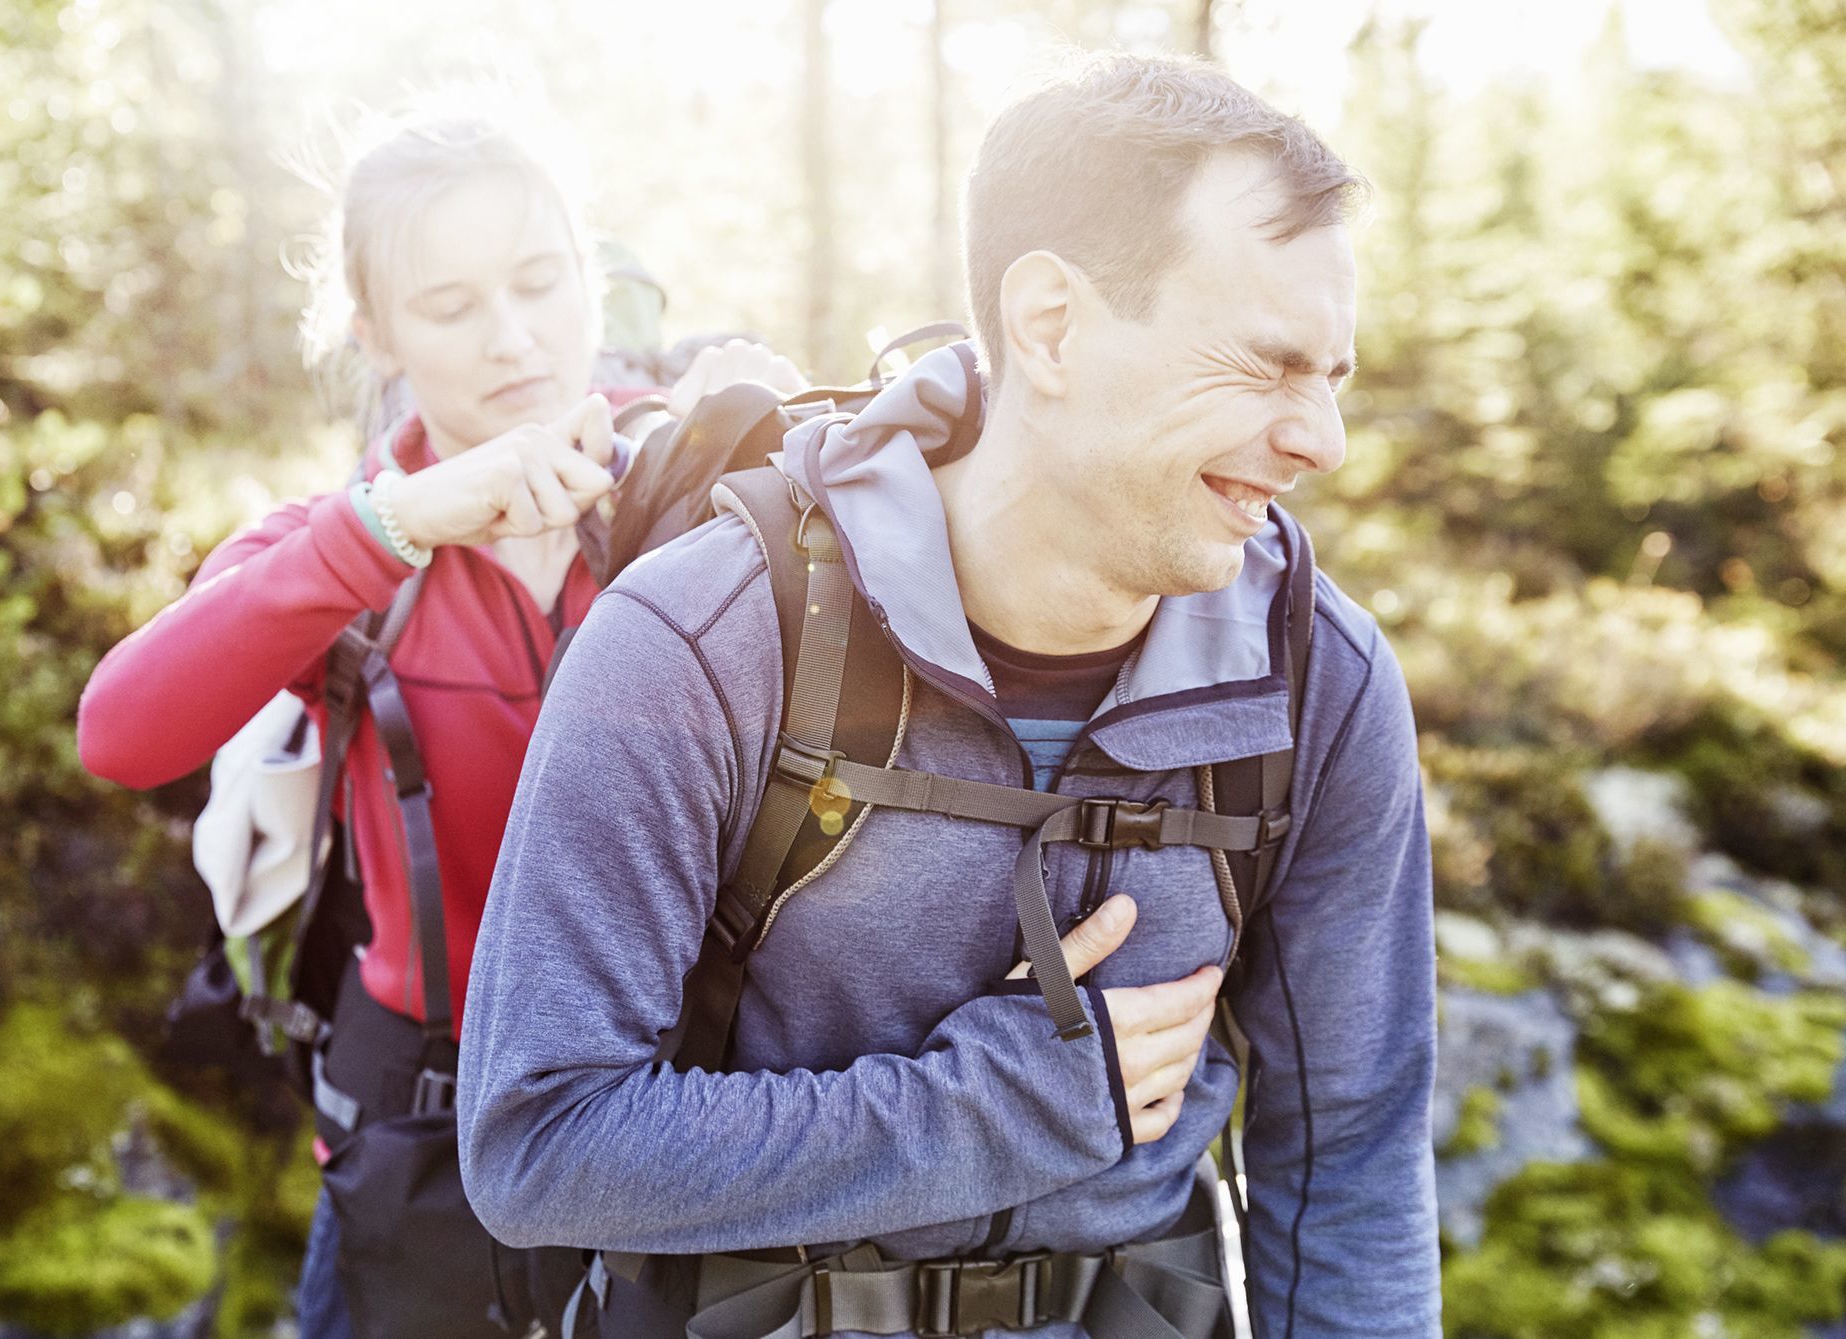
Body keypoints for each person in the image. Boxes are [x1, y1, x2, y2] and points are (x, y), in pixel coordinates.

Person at [457, 53, 1440, 1339]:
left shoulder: (1319, 680)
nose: (1322, 439)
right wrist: (1008, 1104)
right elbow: (538, 1142)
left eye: (1332, 375)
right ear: (1049, 326)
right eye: (1265, 365)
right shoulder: (698, 643)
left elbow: (1353, 1157)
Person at [75, 97, 803, 1338]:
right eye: (451, 306)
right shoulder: (350, 544)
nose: (513, 339)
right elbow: (121, 733)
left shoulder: (710, 484)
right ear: (376, 329)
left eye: (539, 281)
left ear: (590, 270)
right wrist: (398, 523)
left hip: (687, 1132)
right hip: (420, 1151)